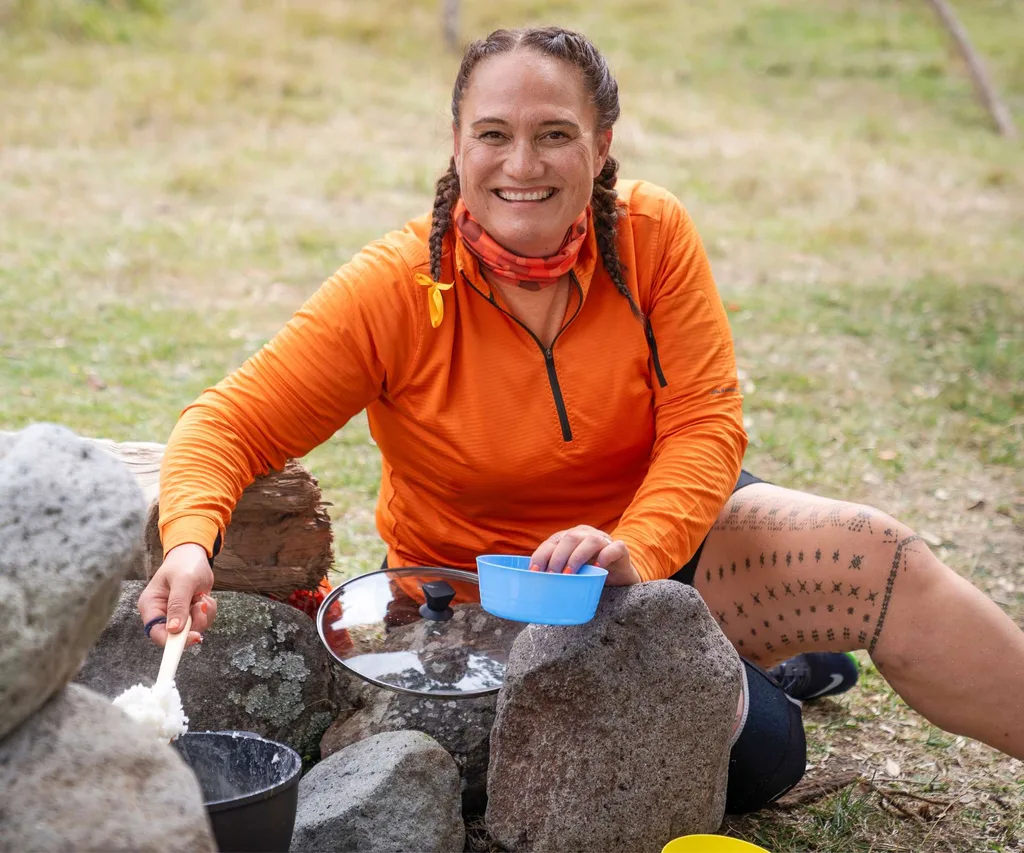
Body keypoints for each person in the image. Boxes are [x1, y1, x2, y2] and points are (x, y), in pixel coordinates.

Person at [137, 26, 1024, 812]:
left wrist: (633, 543)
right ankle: (778, 668)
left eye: (554, 134)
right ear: (457, 145)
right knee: (765, 757)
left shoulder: (652, 235)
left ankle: (762, 648)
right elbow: (229, 424)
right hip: (493, 606)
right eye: (494, 135)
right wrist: (188, 543)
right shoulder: (396, 287)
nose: (522, 165)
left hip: (654, 543)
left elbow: (705, 423)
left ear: (601, 146)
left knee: (880, 555)